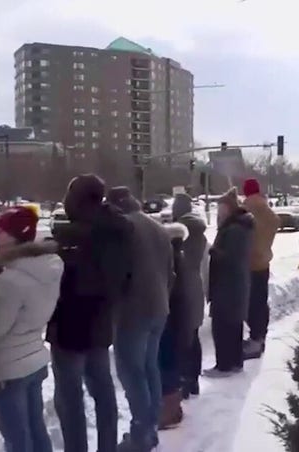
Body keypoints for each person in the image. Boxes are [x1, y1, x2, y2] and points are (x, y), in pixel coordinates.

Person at [48, 175, 132, 452]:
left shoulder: (75, 236)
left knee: (70, 399)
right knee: (103, 390)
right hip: (102, 321)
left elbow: (67, 282)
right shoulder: (119, 229)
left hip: (70, 327)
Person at [0, 205, 62, 452]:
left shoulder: (9, 282)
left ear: (15, 236)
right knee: (37, 431)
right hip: (34, 360)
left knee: (17, 440)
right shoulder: (49, 267)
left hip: (7, 370)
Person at [106, 186, 173, 452]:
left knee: (132, 373)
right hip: (159, 307)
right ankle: (150, 429)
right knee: (148, 369)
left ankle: (141, 434)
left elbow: (118, 272)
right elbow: (170, 270)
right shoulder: (156, 226)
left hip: (133, 311)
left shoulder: (125, 229)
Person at [205, 188, 254, 378]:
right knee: (234, 325)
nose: (219, 212)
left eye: (221, 208)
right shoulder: (242, 226)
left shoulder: (234, 229)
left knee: (223, 326)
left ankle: (224, 365)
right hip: (235, 283)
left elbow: (231, 258)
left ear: (229, 208)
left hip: (227, 285)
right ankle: (235, 362)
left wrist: (212, 251)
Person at [170, 194, 208, 399]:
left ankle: (185, 380)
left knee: (183, 337)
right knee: (193, 335)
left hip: (182, 287)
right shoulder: (199, 232)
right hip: (195, 285)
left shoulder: (182, 234)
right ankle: (193, 380)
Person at [240, 178, 280, 360]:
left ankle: (254, 341)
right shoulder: (270, 213)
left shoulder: (246, 211)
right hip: (263, 262)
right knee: (260, 302)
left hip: (248, 263)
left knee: (250, 303)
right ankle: (259, 337)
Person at [157, 221, 190, 429]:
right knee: (173, 363)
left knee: (167, 363)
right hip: (179, 316)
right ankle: (174, 409)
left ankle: (169, 413)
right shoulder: (180, 256)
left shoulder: (170, 260)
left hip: (170, 317)